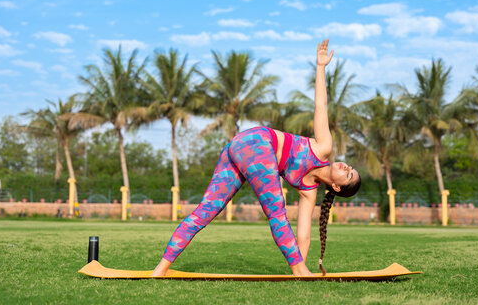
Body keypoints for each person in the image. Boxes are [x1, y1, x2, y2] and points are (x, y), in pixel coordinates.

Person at [151, 39, 361, 277]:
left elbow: (303, 234)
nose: (346, 166)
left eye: (348, 174)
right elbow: (320, 106)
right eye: (350, 167)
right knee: (276, 208)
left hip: (238, 148)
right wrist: (320, 67)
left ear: (336, 186)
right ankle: (161, 266)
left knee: (208, 209)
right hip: (256, 143)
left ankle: (160, 270)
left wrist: (302, 264)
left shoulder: (308, 191)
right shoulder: (324, 147)